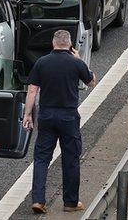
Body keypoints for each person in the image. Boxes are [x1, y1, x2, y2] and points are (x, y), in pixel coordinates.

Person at [23, 30, 96, 215]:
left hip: (46, 115)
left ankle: (38, 200)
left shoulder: (42, 62)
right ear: (69, 45)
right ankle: (70, 202)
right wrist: (80, 59)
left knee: (41, 158)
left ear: (53, 43)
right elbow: (91, 82)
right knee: (71, 158)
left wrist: (27, 114)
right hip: (68, 116)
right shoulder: (75, 62)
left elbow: (32, 91)